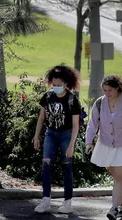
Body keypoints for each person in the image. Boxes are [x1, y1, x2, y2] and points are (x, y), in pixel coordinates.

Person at [85, 75, 122, 220]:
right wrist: (89, 141)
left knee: (118, 178)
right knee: (118, 178)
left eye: (110, 90)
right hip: (106, 145)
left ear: (117, 88)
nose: (107, 93)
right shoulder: (100, 103)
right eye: (104, 90)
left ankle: (114, 208)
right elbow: (92, 124)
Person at [33, 65, 82, 214]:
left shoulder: (72, 100)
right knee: (46, 165)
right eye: (54, 85)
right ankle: (46, 200)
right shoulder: (48, 96)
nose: (56, 88)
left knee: (67, 166)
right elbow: (41, 118)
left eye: (59, 85)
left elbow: (75, 125)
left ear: (66, 84)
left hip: (66, 135)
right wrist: (36, 136)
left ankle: (67, 202)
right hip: (50, 134)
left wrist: (72, 145)